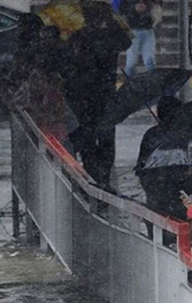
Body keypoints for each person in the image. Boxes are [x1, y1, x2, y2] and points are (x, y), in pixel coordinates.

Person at [60, 0, 132, 189]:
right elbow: (126, 41)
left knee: (89, 139)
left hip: (84, 97)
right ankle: (103, 177)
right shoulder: (110, 37)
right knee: (106, 138)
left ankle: (94, 176)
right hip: (104, 95)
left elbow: (68, 62)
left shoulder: (80, 37)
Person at [135, 96, 192, 219]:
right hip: (182, 198)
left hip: (157, 200)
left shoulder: (151, 136)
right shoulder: (187, 135)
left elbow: (142, 169)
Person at [120, 0, 161, 76]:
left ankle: (152, 81)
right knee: (131, 61)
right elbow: (120, 11)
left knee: (149, 60)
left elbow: (156, 6)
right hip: (132, 29)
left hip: (147, 29)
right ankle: (131, 82)